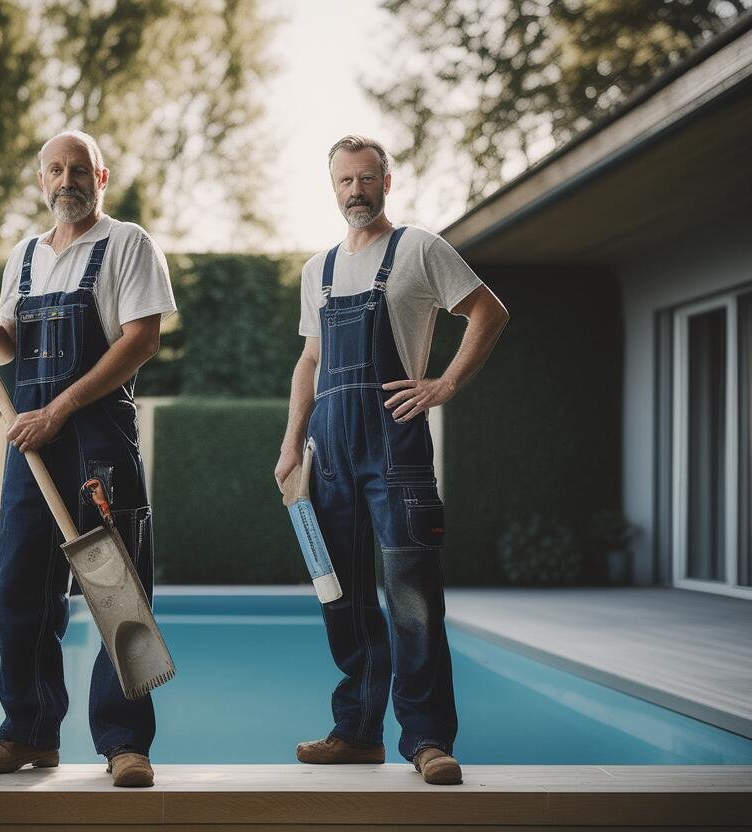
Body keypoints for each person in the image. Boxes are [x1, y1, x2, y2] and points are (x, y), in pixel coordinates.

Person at [0, 130, 176, 788]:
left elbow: (141, 340)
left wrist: (60, 409)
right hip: (33, 444)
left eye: (79, 169)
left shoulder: (127, 244)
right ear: (41, 181)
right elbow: (9, 345)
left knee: (116, 592)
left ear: (101, 179)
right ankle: (28, 733)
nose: (66, 179)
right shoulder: (23, 256)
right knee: (19, 592)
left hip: (98, 440)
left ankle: (125, 743)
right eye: (54, 169)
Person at [274, 134, 509, 785]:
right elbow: (311, 360)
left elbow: (489, 310)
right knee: (341, 600)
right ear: (333, 186)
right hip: (329, 458)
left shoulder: (420, 250)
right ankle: (356, 732)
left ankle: (428, 741)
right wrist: (293, 442)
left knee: (413, 602)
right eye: (345, 180)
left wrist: (444, 384)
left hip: (396, 455)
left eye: (366, 178)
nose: (356, 190)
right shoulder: (316, 269)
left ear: (386, 179)